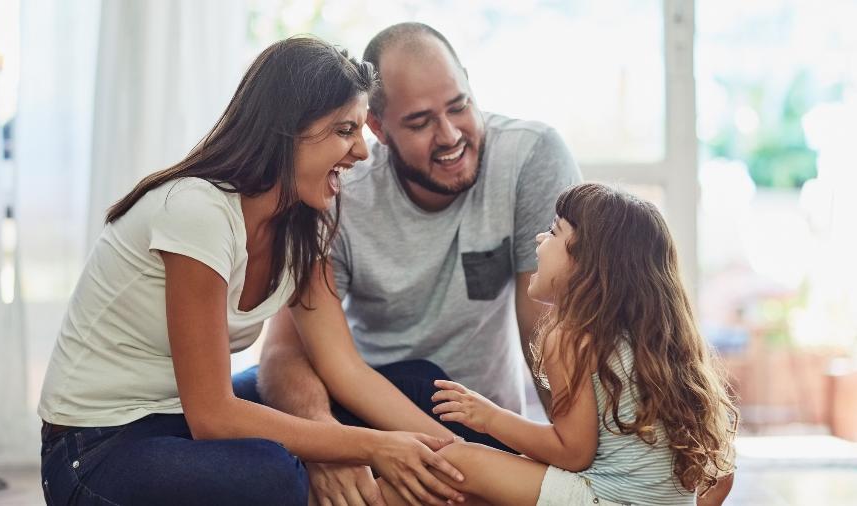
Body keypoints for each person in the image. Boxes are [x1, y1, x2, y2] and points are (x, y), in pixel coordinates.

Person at [37, 36, 468, 506]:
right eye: (346, 130)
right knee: (273, 478)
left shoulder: (303, 224)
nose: (362, 152)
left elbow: (343, 368)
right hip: (100, 445)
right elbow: (214, 416)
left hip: (182, 418)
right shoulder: (196, 210)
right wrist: (370, 446)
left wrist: (455, 456)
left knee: (418, 384)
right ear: (288, 130)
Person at [253, 22, 582, 504]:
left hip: (482, 424)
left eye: (459, 106)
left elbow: (554, 332)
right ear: (378, 128)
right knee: (230, 422)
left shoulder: (530, 157)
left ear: (470, 84)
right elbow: (284, 351)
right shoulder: (338, 190)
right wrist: (328, 446)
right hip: (364, 404)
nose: (450, 135)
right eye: (420, 121)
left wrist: (578, 457)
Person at [376, 183, 739, 506]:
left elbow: (572, 453)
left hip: (604, 496)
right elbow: (722, 476)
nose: (539, 239)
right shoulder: (655, 341)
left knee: (460, 461)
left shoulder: (571, 338)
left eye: (553, 231)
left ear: (587, 263)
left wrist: (490, 418)